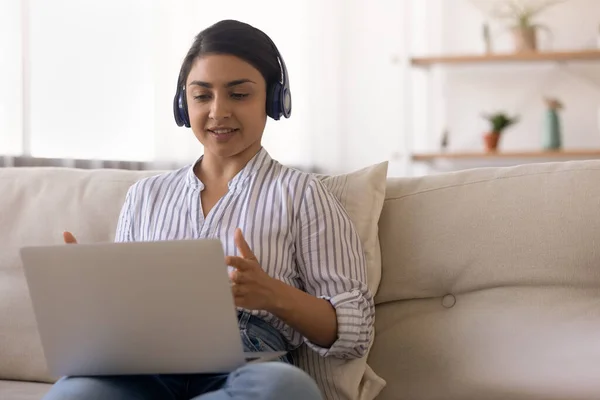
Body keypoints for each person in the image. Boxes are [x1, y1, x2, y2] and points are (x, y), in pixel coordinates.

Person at [43, 19, 374, 400]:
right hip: (145, 367)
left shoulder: (303, 195)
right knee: (73, 393)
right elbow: (119, 324)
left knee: (286, 389)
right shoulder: (145, 196)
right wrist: (87, 295)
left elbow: (356, 329)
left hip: (249, 366)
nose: (218, 112)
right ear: (184, 105)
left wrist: (272, 294)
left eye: (239, 94)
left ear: (274, 99)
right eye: (202, 96)